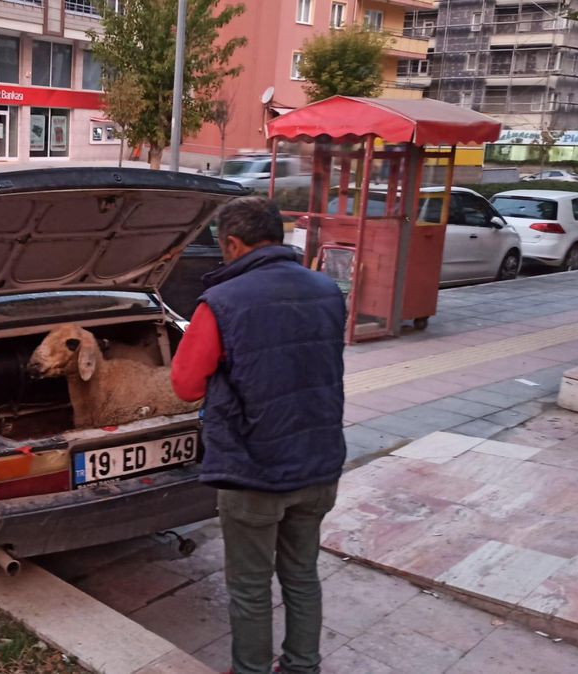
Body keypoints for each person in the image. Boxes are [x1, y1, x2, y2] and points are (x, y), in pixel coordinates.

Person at [170, 197, 346, 674]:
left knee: (249, 586)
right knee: (302, 575)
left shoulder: (222, 303)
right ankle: (302, 666)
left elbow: (185, 386)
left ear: (232, 243)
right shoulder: (327, 289)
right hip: (319, 460)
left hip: (254, 470)